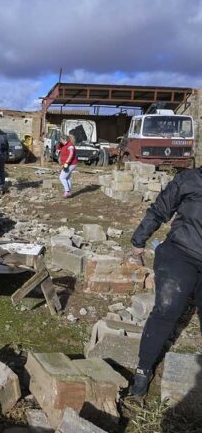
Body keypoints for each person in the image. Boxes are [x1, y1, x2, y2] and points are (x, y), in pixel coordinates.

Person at [129, 166, 202, 397]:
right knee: (167, 308)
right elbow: (160, 209)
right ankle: (143, 370)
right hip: (181, 253)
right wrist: (140, 238)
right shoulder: (190, 179)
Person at [57, 134, 78, 198]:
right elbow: (58, 148)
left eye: (61, 140)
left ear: (64, 139)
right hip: (69, 164)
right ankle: (69, 193)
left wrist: (66, 163)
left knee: (62, 177)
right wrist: (59, 143)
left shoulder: (70, 145)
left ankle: (67, 191)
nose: (60, 141)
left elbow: (71, 154)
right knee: (67, 178)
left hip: (70, 164)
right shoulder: (64, 145)